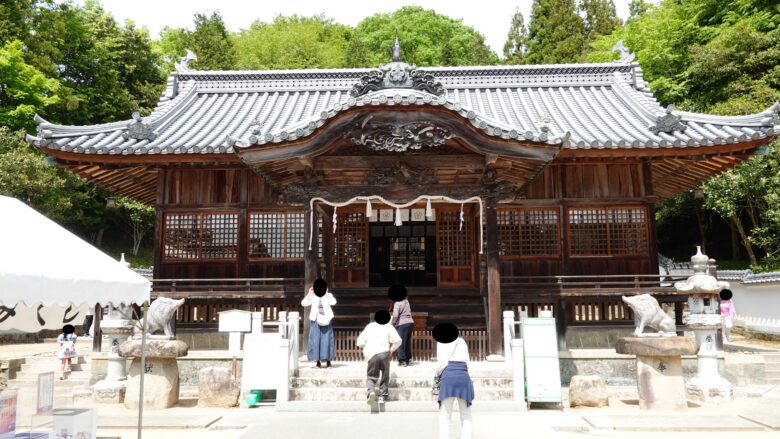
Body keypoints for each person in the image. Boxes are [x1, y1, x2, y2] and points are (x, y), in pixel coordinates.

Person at [433, 323, 474, 439]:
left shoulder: (441, 343)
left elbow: (442, 363)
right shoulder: (462, 342)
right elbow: (468, 362)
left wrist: (436, 372)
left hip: (448, 378)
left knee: (445, 415)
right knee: (466, 414)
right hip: (463, 377)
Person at [357, 310, 401, 405]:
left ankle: (371, 392)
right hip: (384, 353)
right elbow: (398, 340)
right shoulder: (388, 326)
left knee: (371, 377)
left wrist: (365, 346)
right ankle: (382, 396)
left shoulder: (369, 326)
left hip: (372, 354)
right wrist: (392, 349)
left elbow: (359, 342)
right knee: (385, 376)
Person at [301, 278, 336, 368]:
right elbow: (303, 303)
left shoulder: (328, 295)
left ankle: (328, 362)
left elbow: (334, 302)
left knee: (327, 340)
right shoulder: (313, 295)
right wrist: (309, 293)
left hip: (326, 320)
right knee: (316, 341)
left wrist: (327, 294)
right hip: (315, 320)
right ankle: (318, 362)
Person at [389, 284, 414, 366]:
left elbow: (395, 315)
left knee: (400, 342)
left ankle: (402, 360)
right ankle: (409, 359)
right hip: (410, 322)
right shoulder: (406, 302)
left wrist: (392, 323)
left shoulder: (397, 303)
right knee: (406, 342)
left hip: (402, 323)